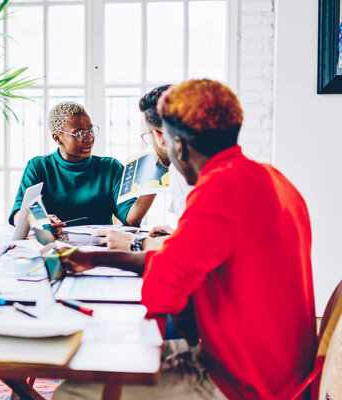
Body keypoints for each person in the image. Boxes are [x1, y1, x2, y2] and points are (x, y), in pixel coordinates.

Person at [54, 79, 316, 399]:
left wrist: (185, 313)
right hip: (279, 368)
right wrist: (98, 258)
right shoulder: (271, 178)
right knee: (110, 361)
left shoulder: (218, 189)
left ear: (177, 145)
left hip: (244, 381)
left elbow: (162, 291)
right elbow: (180, 263)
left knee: (72, 393)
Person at [9, 101, 156, 233]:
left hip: (99, 250)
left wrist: (155, 179)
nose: (89, 139)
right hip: (53, 248)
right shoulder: (39, 167)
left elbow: (131, 218)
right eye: (79, 134)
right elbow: (18, 216)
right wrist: (39, 221)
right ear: (57, 138)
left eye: (90, 130)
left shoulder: (110, 168)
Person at [97, 85, 193, 251]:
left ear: (159, 137)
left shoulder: (195, 180)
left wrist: (135, 243)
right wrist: (177, 233)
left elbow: (193, 253)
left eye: (148, 135)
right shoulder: (184, 171)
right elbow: (200, 238)